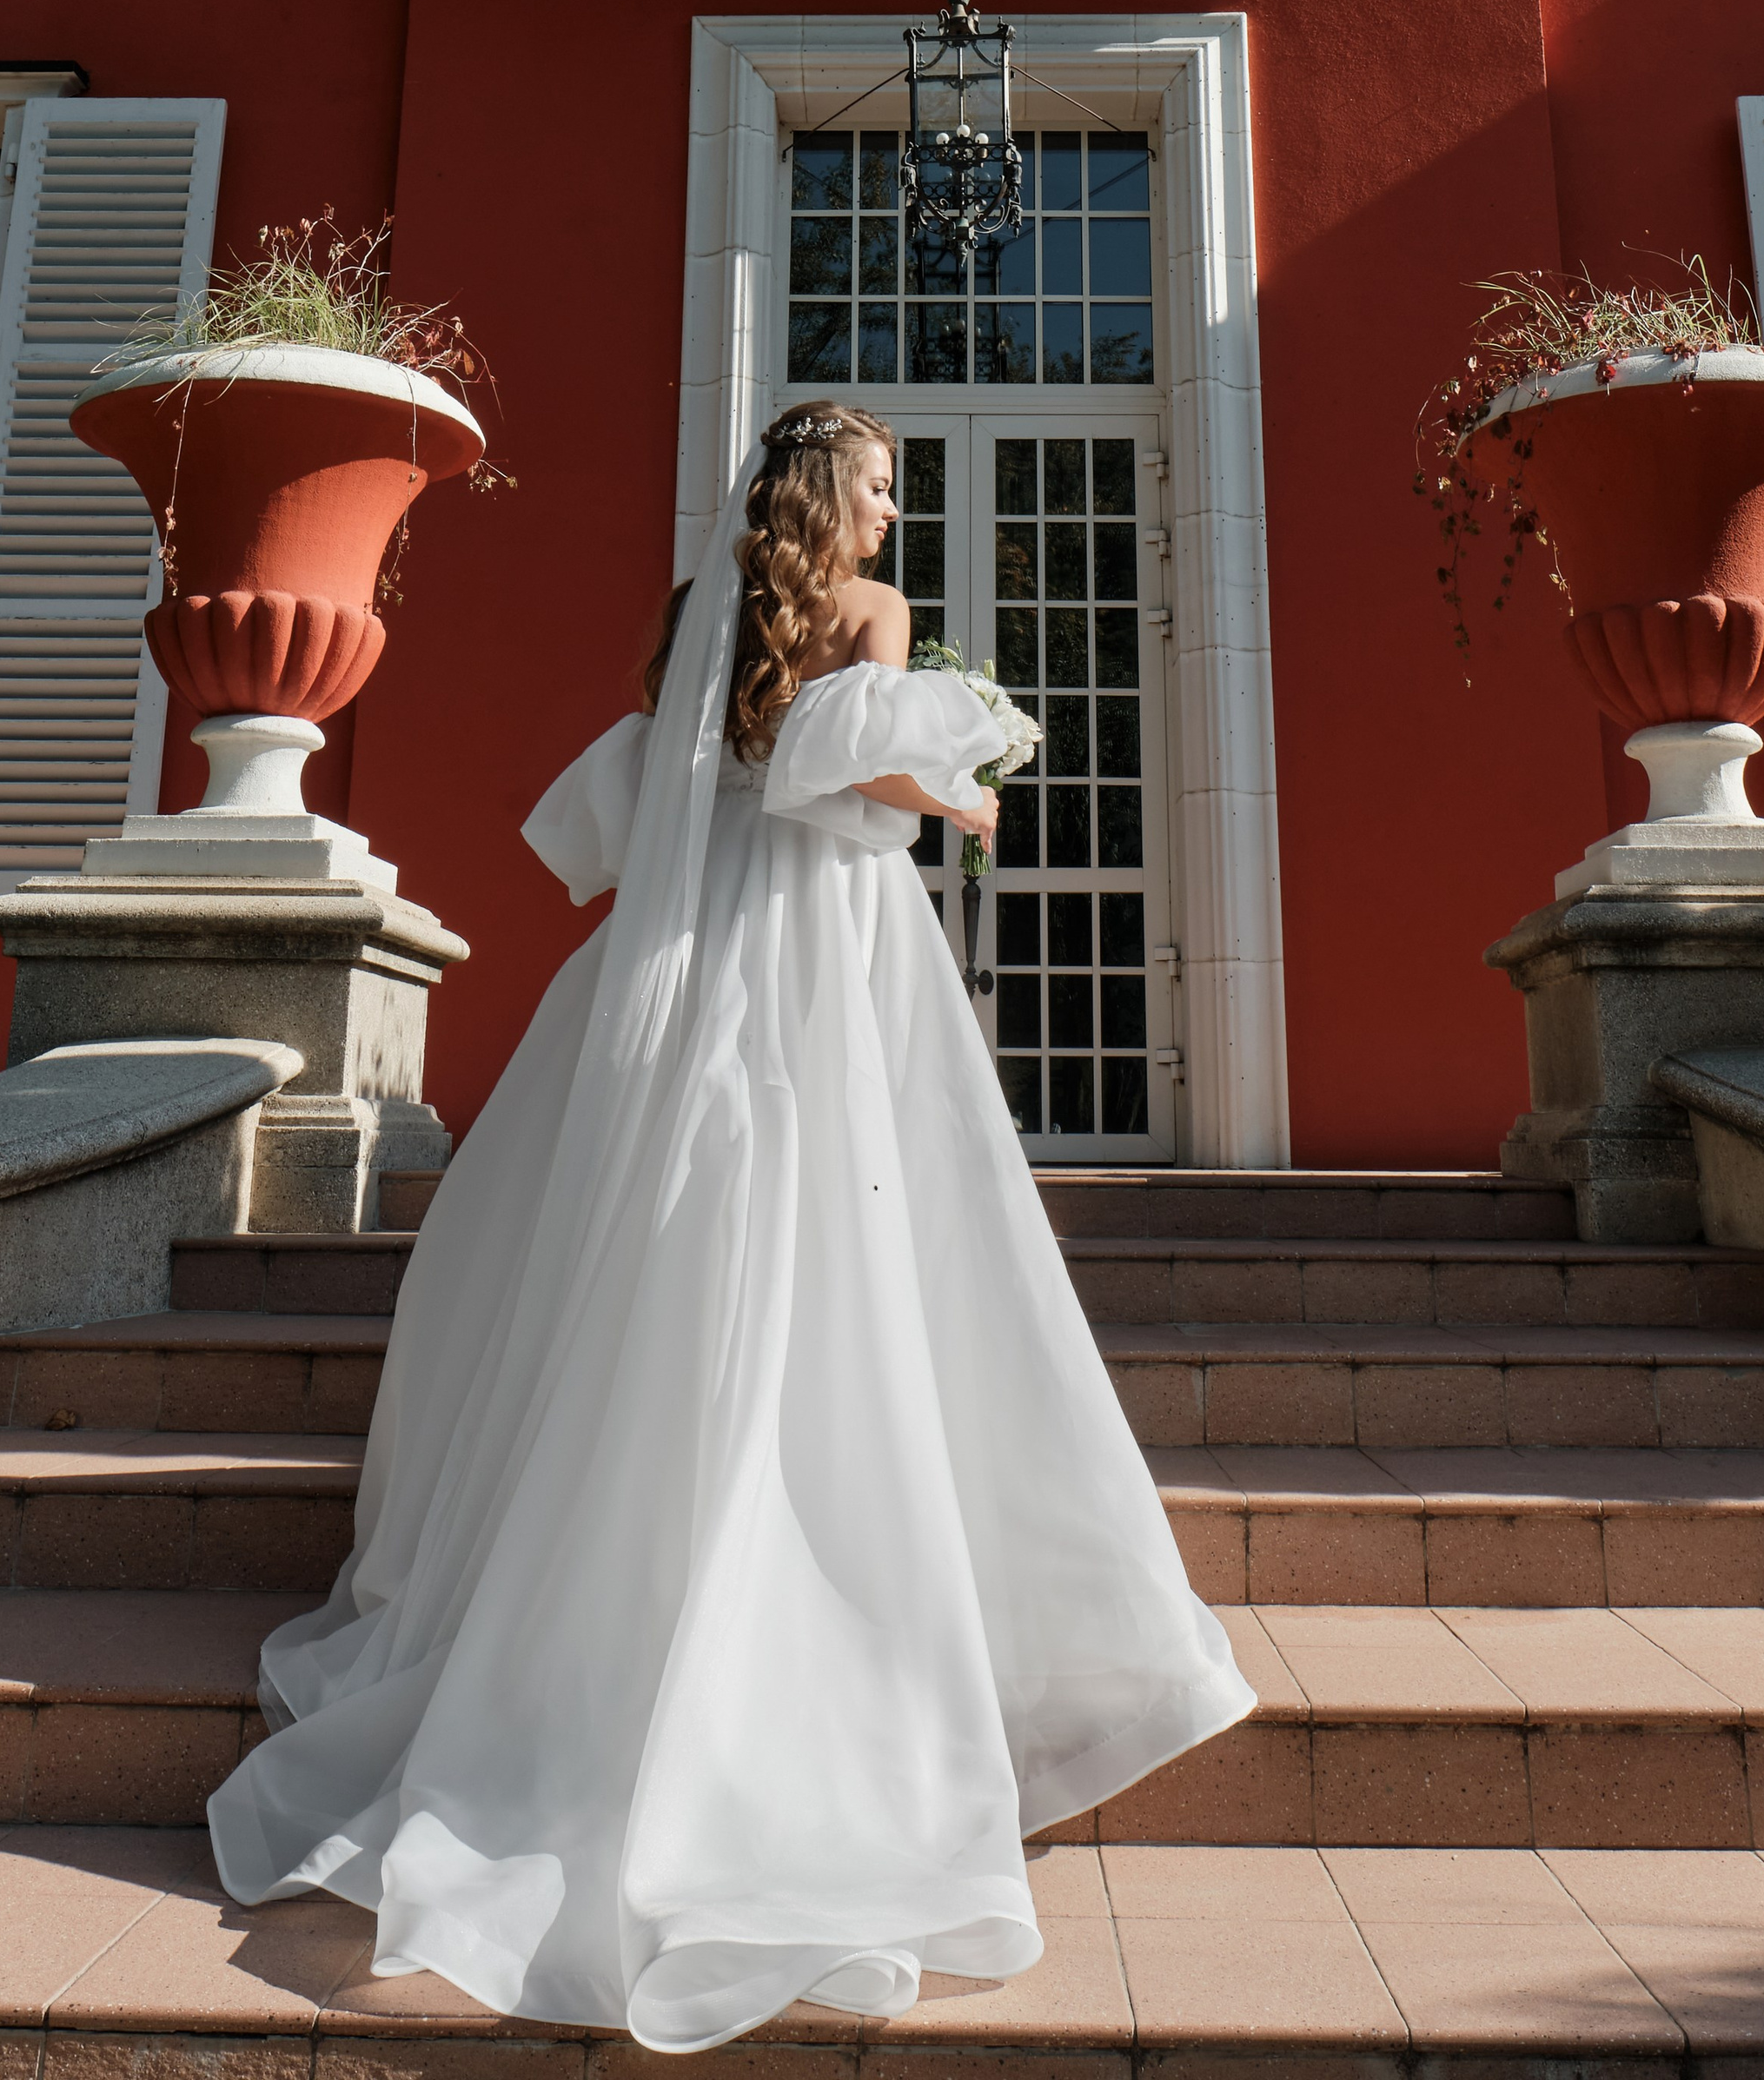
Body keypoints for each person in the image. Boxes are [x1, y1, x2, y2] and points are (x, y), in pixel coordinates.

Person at [207, 403, 1253, 2050]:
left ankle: (582, 1630)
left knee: (665, 1268)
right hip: (829, 966)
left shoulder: (698, 619)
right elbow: (872, 777)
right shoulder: (873, 616)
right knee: (850, 1273)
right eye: (890, 482)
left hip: (682, 985)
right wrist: (975, 785)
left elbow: (655, 798)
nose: (901, 510)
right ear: (834, 494)